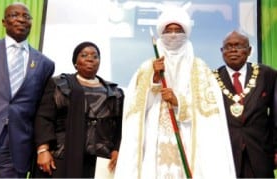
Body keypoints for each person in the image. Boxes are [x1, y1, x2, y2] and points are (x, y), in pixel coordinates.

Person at [114, 5, 236, 179]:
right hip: (155, 136)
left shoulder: (200, 68)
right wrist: (154, 78)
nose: (172, 35)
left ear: (186, 34)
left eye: (178, 30)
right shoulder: (147, 67)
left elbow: (210, 114)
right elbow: (134, 109)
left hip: (187, 134)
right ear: (160, 34)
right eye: (168, 30)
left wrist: (179, 101)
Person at [0, 2, 55, 178]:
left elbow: (42, 109)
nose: (21, 19)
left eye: (26, 16)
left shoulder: (45, 64)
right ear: (4, 22)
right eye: (14, 15)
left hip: (17, 144)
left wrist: (42, 147)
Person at [31, 41, 124, 178]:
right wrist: (43, 150)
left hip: (99, 160)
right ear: (75, 62)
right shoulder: (59, 85)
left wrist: (117, 150)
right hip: (62, 156)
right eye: (84, 55)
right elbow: (44, 118)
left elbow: (120, 126)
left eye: (95, 56)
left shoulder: (114, 93)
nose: (90, 59)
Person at [213, 30, 277, 178]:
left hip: (260, 153)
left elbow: (276, 116)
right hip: (226, 155)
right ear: (222, 51)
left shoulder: (267, 75)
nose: (233, 50)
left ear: (249, 51)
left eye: (239, 46)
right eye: (228, 47)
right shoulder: (212, 79)